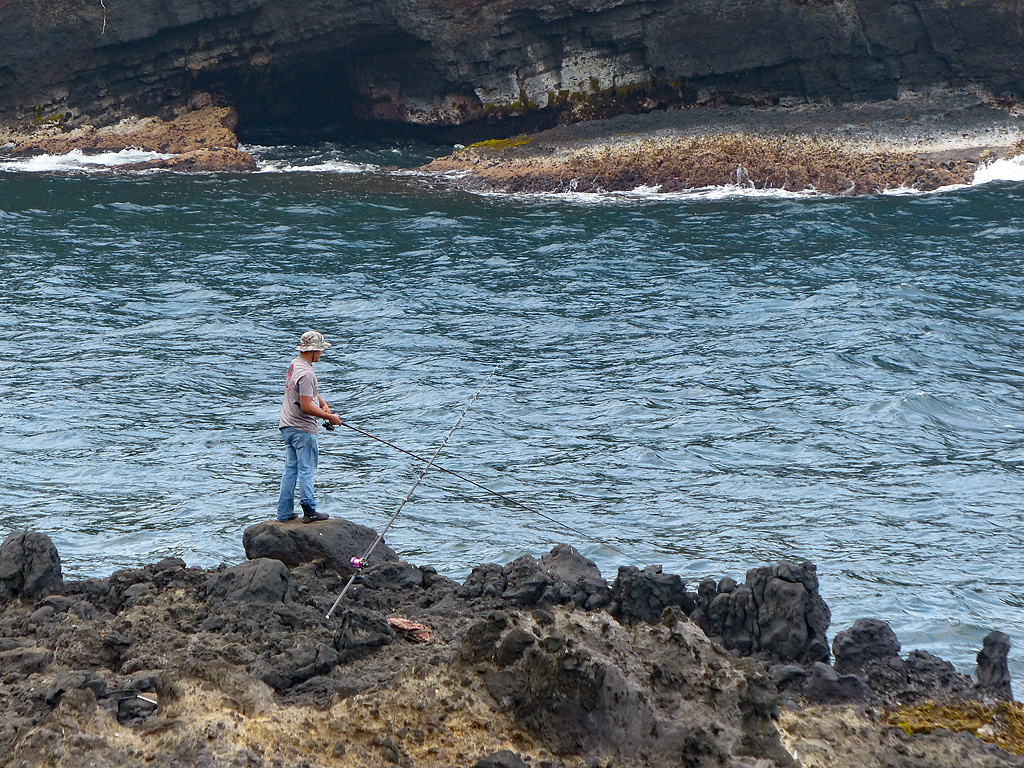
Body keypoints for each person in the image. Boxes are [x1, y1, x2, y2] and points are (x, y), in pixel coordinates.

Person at [277, 330, 342, 522]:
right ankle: (309, 511)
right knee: (306, 470)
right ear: (313, 350)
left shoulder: (295, 364)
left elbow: (306, 394)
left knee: (290, 469)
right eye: (320, 350)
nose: (321, 354)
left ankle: (284, 513)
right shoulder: (307, 373)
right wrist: (330, 418)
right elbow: (305, 406)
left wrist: (322, 403)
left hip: (287, 426)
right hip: (302, 430)